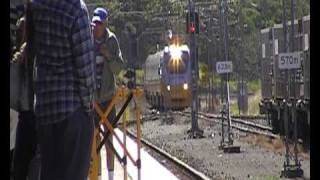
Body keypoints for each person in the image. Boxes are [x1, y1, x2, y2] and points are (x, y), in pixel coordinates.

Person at [28, 0, 96, 179]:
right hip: (72, 110)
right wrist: (88, 106)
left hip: (45, 110)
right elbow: (86, 67)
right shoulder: (76, 9)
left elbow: (31, 54)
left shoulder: (36, 6)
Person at [91, 7, 125, 180]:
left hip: (107, 98)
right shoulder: (87, 40)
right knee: (94, 140)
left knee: (109, 139)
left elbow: (118, 68)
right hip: (92, 100)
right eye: (94, 23)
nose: (96, 27)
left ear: (105, 24)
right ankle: (96, 175)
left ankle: (111, 176)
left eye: (99, 23)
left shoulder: (112, 40)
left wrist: (108, 55)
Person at [12, 12, 39, 180]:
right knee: (20, 164)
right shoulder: (18, 59)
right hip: (22, 113)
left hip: (35, 113)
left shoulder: (35, 50)